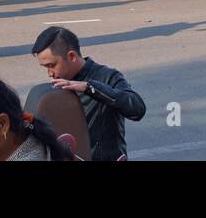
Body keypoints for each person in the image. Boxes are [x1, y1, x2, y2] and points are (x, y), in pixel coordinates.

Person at [32, 26, 145, 161]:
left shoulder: (107, 77)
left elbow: (137, 109)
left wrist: (90, 88)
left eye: (52, 65)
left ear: (72, 56)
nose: (50, 73)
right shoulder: (57, 87)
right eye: (45, 67)